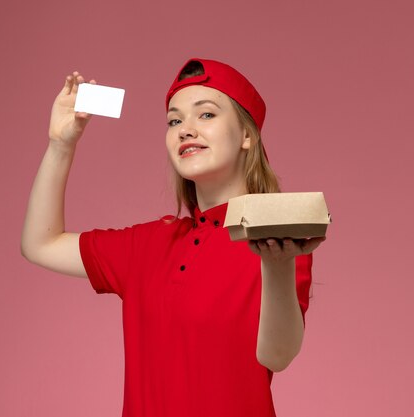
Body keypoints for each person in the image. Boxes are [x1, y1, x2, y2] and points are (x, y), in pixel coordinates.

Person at [21, 57, 326, 417]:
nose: (185, 129)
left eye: (207, 115)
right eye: (174, 120)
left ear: (247, 134)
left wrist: (277, 266)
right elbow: (40, 244)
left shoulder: (280, 239)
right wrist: (60, 146)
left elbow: (277, 356)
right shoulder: (149, 245)